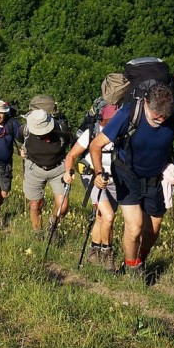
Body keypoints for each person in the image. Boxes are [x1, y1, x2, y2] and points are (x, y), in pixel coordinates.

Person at [88, 84, 174, 277]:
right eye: (156, 116)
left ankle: (139, 261)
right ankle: (132, 270)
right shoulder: (128, 113)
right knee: (135, 227)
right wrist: (98, 172)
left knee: (152, 231)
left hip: (155, 175)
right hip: (126, 173)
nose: (161, 120)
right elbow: (96, 145)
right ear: (145, 103)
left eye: (165, 117)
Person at [63, 102, 120, 269]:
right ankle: (106, 254)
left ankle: (93, 251)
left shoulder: (123, 134)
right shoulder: (92, 133)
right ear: (104, 120)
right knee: (109, 216)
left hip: (114, 179)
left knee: (102, 217)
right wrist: (68, 171)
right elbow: (71, 156)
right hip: (91, 177)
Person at [19, 98, 72, 236]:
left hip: (58, 169)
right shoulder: (24, 130)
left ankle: (52, 224)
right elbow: (20, 141)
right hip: (34, 169)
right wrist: (23, 151)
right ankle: (38, 233)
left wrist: (70, 167)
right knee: (35, 204)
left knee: (63, 206)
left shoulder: (62, 130)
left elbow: (74, 148)